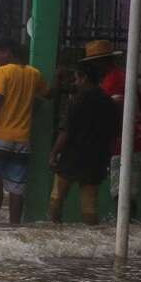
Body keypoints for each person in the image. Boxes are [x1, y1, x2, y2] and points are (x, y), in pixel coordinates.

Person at [0, 38, 48, 224]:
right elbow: (48, 94)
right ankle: (14, 227)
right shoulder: (34, 74)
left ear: (9, 53)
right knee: (16, 189)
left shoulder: (3, 72)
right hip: (22, 139)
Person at [49, 63, 119, 225]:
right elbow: (115, 132)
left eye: (76, 79)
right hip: (97, 159)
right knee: (89, 208)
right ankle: (93, 240)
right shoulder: (109, 102)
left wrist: (53, 153)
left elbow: (65, 131)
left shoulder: (77, 100)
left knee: (56, 199)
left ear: (84, 78)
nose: (75, 83)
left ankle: (54, 234)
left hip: (72, 157)